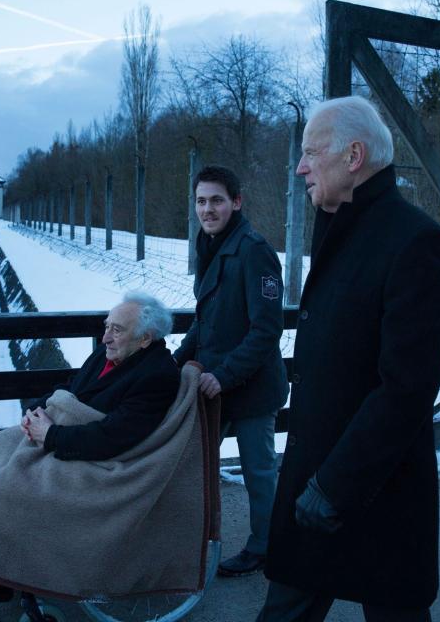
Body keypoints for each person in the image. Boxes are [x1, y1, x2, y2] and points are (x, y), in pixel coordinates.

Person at [257, 96, 440, 622]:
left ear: (352, 156)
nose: (300, 166)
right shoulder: (339, 226)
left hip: (372, 488)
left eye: (309, 152)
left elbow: (406, 388)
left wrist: (335, 483)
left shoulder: (417, 243)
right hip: (317, 481)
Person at [0, 292, 186, 622]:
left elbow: (115, 437)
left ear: (145, 339)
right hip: (72, 438)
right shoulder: (110, 354)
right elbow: (72, 388)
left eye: (117, 329)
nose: (106, 337)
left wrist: (51, 435)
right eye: (106, 326)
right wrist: (38, 409)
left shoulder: (157, 375)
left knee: (8, 486)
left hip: (107, 465)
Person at [174, 164, 289, 577]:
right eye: (201, 201)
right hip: (216, 384)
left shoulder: (253, 249)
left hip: (251, 387)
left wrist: (223, 375)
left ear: (236, 202)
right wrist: (172, 364)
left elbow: (266, 330)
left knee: (258, 472)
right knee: (192, 463)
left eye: (217, 200)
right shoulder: (211, 245)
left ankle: (267, 548)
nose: (208, 209)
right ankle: (186, 542)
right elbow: (207, 321)